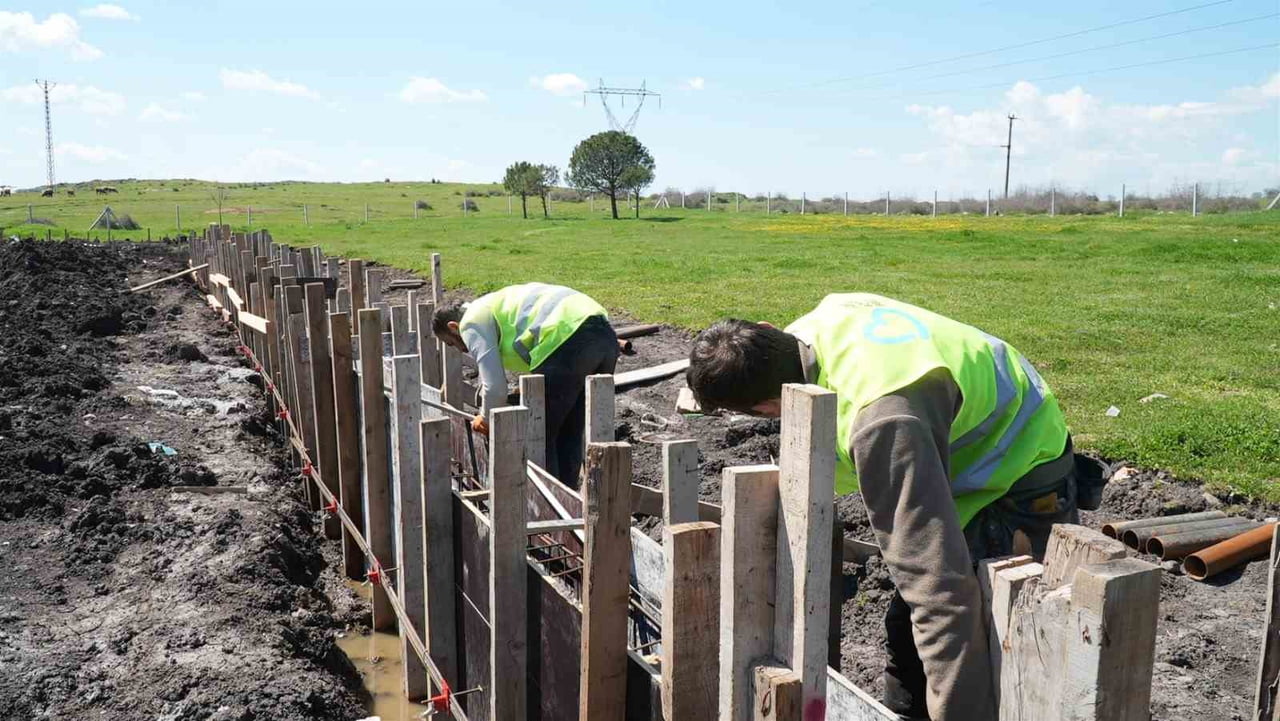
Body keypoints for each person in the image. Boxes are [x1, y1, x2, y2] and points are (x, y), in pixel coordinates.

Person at [686, 293, 1087, 721]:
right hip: (966, 450)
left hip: (1020, 470)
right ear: (767, 328)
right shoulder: (817, 323)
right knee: (909, 638)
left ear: (767, 407)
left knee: (1014, 645)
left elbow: (938, 590)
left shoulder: (883, 420)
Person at [433, 283, 619, 486]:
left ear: (453, 327)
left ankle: (548, 509)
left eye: (452, 343)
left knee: (540, 433)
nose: (460, 349)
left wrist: (485, 418)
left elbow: (494, 387)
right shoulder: (493, 306)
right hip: (604, 336)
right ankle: (569, 501)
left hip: (566, 338)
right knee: (570, 430)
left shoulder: (470, 322)